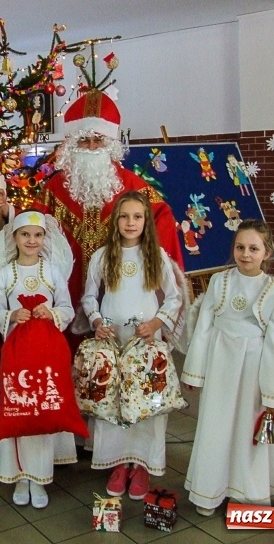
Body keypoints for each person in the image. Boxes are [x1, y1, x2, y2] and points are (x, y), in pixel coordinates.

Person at [0, 88, 182, 338]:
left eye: (98, 140)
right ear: (73, 145)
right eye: (84, 140)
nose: (91, 147)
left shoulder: (131, 184)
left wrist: (149, 258)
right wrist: (9, 211)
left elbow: (162, 216)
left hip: (122, 286)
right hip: (69, 287)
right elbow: (33, 220)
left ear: (110, 144)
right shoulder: (57, 186)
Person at [180, 220, 274, 516]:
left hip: (253, 370)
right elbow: (203, 327)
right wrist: (195, 370)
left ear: (266, 253)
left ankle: (246, 495)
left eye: (254, 249)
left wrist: (270, 392)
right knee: (215, 426)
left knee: (246, 430)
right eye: (240, 247)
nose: (245, 254)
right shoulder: (220, 281)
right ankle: (209, 492)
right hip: (220, 364)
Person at [81, 191, 184, 501]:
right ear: (116, 221)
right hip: (114, 344)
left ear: (146, 222)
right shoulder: (103, 256)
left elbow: (175, 297)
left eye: (137, 217)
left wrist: (155, 324)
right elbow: (88, 297)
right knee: (114, 403)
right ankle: (119, 463)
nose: (130, 222)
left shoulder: (156, 256)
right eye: (124, 216)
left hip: (146, 345)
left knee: (146, 404)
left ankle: (142, 465)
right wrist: (97, 321)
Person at [0, 210, 75, 509]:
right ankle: (19, 476)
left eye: (37, 235)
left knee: (43, 409)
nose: (31, 240)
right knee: (20, 410)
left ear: (44, 239)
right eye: (25, 234)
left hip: (47, 356)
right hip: (18, 357)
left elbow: (67, 307)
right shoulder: (5, 274)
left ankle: (39, 477)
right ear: (15, 238)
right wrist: (13, 315)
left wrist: (52, 313)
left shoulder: (51, 272)